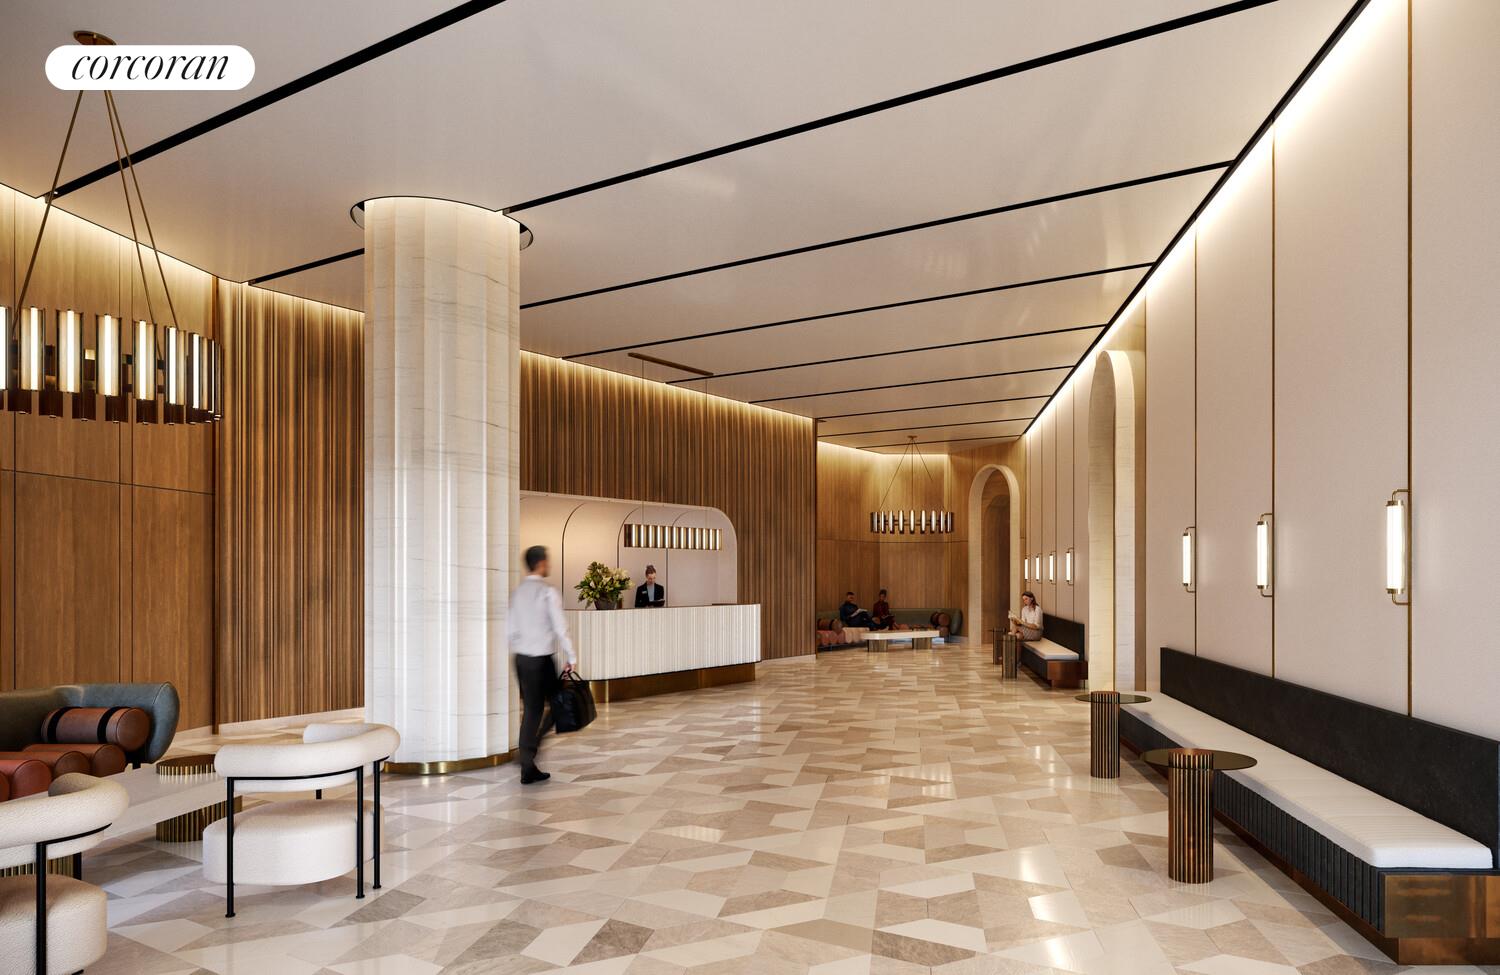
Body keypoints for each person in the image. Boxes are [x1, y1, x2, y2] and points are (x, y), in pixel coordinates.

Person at [506, 545, 575, 785]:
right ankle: (529, 751)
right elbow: (560, 627)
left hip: (521, 658)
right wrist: (571, 656)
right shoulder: (547, 592)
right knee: (558, 706)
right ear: (542, 563)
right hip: (541, 659)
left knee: (532, 711)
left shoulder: (517, 593)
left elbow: (510, 629)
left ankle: (527, 763)